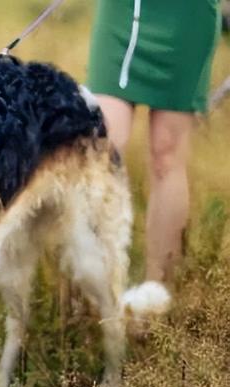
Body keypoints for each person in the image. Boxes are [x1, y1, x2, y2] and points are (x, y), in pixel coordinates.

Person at [87, 0, 221, 282]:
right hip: (123, 11)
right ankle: (93, 290)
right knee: (103, 144)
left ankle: (155, 297)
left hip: (187, 15)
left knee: (167, 153)